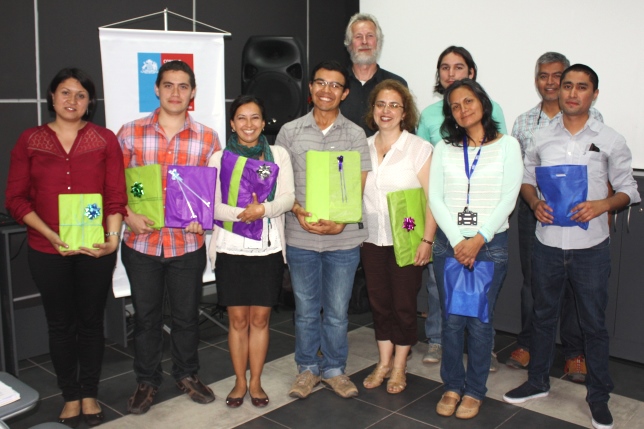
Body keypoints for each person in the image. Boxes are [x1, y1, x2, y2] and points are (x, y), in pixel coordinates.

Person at [503, 64, 640, 429]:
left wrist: (601, 205)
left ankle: (598, 398)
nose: (572, 93)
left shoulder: (610, 138)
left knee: (593, 324)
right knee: (542, 316)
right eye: (567, 86)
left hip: (590, 247)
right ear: (558, 91)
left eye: (582, 87)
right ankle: (536, 382)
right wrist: (533, 203)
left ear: (594, 94)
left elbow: (630, 189)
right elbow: (527, 181)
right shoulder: (542, 137)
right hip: (547, 244)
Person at [6, 68, 127, 427]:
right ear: (52, 98)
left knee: (91, 323)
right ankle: (70, 394)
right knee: (60, 325)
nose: (72, 100)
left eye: (80, 95)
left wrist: (112, 241)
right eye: (65, 93)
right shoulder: (30, 140)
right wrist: (50, 233)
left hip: (95, 250)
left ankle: (89, 392)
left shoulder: (105, 139)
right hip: (47, 249)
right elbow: (15, 199)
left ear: (90, 103)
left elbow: (116, 198)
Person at [117, 60, 220, 414]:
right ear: (157, 90)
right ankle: (147, 381)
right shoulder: (130, 132)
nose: (176, 92)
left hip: (187, 245)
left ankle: (187, 374)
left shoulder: (207, 137)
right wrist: (128, 215)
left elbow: (212, 190)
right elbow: (114, 184)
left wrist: (202, 220)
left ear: (193, 93)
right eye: (169, 85)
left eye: (183, 86)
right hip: (141, 245)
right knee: (145, 319)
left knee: (186, 316)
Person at [276, 60, 371, 399]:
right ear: (311, 88)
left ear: (344, 93)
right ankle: (306, 369)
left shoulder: (356, 134)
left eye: (334, 85)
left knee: (335, 311)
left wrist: (341, 222)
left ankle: (333, 368)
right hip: (300, 235)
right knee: (305, 309)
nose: (326, 90)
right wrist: (298, 211)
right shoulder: (289, 132)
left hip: (343, 239)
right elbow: (282, 186)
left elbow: (359, 186)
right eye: (320, 83)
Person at [507, 52, 604, 383]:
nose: (549, 82)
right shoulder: (522, 122)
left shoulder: (593, 118)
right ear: (537, 81)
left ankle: (574, 353)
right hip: (535, 212)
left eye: (556, 76)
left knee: (576, 286)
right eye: (542, 76)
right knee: (533, 282)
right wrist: (533, 203)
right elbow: (520, 173)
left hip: (578, 215)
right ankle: (529, 344)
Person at [430, 79, 522, 419]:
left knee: (480, 322)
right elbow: (435, 198)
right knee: (452, 321)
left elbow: (508, 198)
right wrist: (457, 241)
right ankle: (452, 385)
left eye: (468, 101)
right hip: (448, 246)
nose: (462, 109)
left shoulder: (508, 145)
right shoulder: (443, 148)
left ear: (482, 103)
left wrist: (478, 238)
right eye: (455, 105)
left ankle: (474, 390)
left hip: (488, 247)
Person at [418, 46, 507, 370]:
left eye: (458, 66)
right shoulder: (430, 117)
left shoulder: (496, 116)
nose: (451, 73)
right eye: (444, 67)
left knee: (481, 301)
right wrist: (453, 237)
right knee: (439, 291)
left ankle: (482, 349)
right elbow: (425, 172)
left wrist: (478, 237)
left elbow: (501, 177)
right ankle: (439, 342)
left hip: (485, 230)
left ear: (472, 73)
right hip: (444, 222)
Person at [208, 95, 295, 408]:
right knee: (237, 321)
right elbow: (213, 205)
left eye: (255, 118)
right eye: (242, 118)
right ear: (232, 123)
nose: (249, 124)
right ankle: (239, 381)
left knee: (260, 320)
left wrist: (264, 208)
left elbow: (288, 199)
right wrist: (242, 213)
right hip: (230, 248)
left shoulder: (279, 155)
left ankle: (256, 382)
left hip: (267, 248)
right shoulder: (219, 158)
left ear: (263, 122)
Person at [360, 80, 436, 394]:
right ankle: (383, 361)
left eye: (394, 105)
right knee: (379, 304)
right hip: (371, 240)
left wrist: (427, 241)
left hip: (407, 241)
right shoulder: (361, 147)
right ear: (373, 110)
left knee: (404, 305)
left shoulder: (419, 148)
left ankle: (400, 365)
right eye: (381, 104)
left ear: (404, 112)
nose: (386, 111)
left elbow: (433, 199)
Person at [341, 13, 407, 136]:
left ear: (378, 42)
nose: (364, 42)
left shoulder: (397, 84)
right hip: (343, 155)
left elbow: (406, 130)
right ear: (349, 44)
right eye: (358, 36)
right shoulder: (338, 84)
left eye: (370, 36)